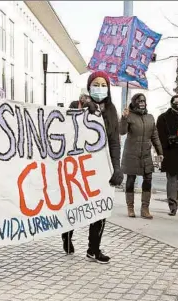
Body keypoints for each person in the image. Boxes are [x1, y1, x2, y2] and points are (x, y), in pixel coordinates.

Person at [61, 71, 123, 263]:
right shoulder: (77, 106)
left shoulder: (112, 111)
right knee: (74, 204)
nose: (100, 88)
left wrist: (116, 167)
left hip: (101, 167)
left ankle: (93, 248)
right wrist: (83, 110)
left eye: (104, 85)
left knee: (100, 207)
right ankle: (67, 234)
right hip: (78, 166)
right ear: (89, 86)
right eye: (96, 84)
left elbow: (114, 142)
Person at [120, 93, 163, 219]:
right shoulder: (129, 116)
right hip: (131, 153)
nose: (142, 102)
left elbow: (155, 136)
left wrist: (160, 152)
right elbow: (122, 131)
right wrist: (124, 118)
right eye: (139, 101)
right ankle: (130, 207)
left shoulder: (150, 117)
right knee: (131, 180)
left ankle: (145, 209)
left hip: (146, 154)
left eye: (144, 100)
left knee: (148, 179)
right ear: (134, 102)